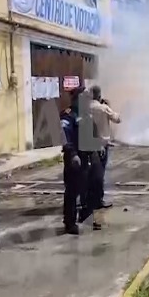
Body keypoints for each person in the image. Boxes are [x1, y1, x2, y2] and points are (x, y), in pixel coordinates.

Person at [78, 86, 121, 230]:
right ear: (99, 95)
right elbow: (118, 119)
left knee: (88, 174)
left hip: (87, 145)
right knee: (99, 174)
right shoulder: (103, 108)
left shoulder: (85, 108)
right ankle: (97, 202)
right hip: (102, 144)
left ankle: (86, 202)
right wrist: (108, 106)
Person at [60, 88, 84, 235]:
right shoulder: (68, 115)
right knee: (72, 192)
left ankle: (83, 217)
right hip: (73, 159)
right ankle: (69, 223)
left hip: (84, 158)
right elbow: (64, 137)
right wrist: (73, 154)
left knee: (84, 189)